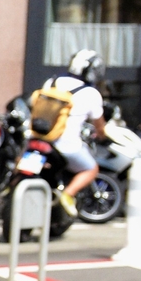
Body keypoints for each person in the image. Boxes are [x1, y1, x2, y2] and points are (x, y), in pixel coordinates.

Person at [36, 47, 105, 210]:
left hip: (38, 138)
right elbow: (99, 126)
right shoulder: (91, 93)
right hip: (65, 144)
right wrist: (102, 136)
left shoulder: (51, 82)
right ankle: (67, 194)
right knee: (91, 168)